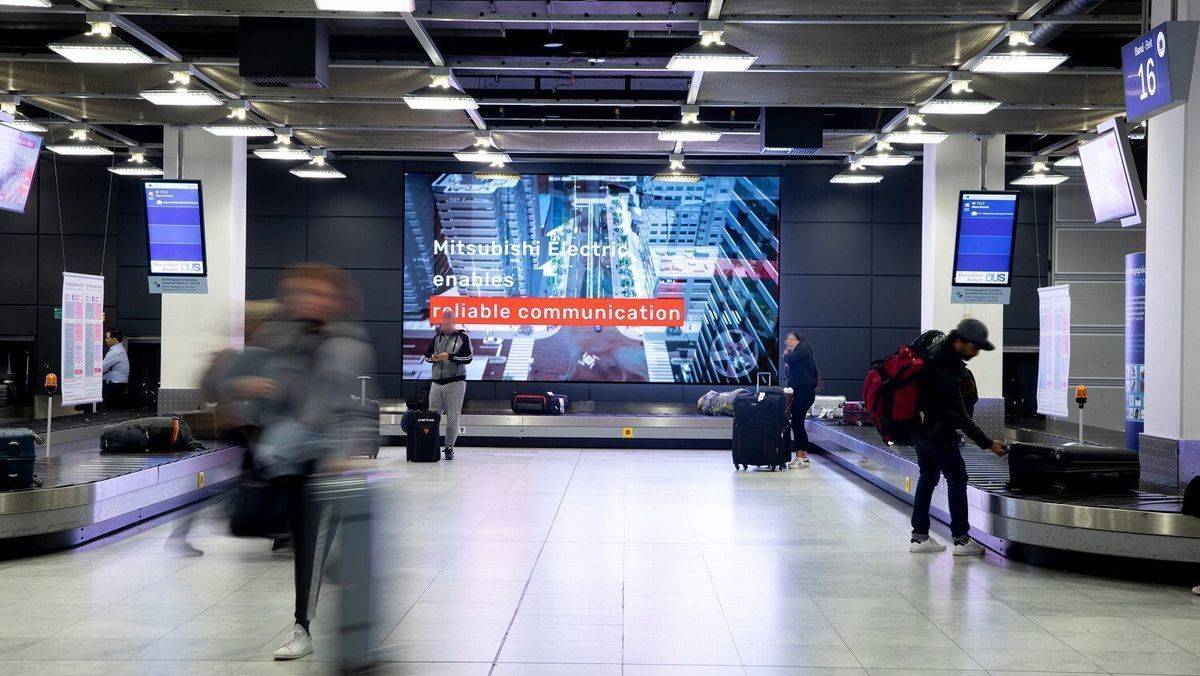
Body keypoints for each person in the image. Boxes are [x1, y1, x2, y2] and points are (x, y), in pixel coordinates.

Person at [223, 264, 375, 661]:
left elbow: (358, 404)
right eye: (300, 292)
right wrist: (248, 391)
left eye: (317, 292)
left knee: (315, 545)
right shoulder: (280, 338)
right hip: (291, 459)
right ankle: (317, 604)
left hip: (330, 461)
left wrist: (351, 451)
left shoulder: (348, 344)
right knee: (308, 544)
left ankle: (304, 626)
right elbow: (250, 389)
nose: (307, 300)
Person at [909, 318, 1007, 557]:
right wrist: (987, 443)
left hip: (920, 429)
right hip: (939, 433)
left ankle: (919, 537)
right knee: (956, 479)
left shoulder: (931, 353)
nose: (976, 353)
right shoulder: (947, 367)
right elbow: (959, 414)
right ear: (960, 342)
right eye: (974, 347)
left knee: (928, 476)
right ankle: (962, 540)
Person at [423, 310, 472, 460]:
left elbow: (468, 358)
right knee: (432, 417)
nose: (446, 324)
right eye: (444, 321)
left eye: (449, 321)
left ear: (454, 322)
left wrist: (450, 357)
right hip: (436, 383)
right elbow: (426, 356)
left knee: (453, 418)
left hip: (455, 382)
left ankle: (449, 447)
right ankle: (430, 445)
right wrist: (433, 358)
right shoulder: (437, 338)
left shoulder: (463, 337)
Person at [782, 331, 819, 469]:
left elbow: (789, 359)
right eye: (787, 340)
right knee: (798, 423)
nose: (788, 342)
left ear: (798, 340)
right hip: (801, 392)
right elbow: (790, 374)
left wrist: (786, 354)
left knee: (797, 423)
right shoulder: (799, 352)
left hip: (804, 392)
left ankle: (800, 458)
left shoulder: (802, 347)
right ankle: (803, 457)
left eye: (791, 339)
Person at [101, 328, 130, 410]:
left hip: (114, 386)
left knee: (107, 409)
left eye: (107, 338)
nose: (105, 340)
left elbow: (102, 368)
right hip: (118, 385)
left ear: (114, 339)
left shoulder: (115, 352)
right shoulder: (120, 349)